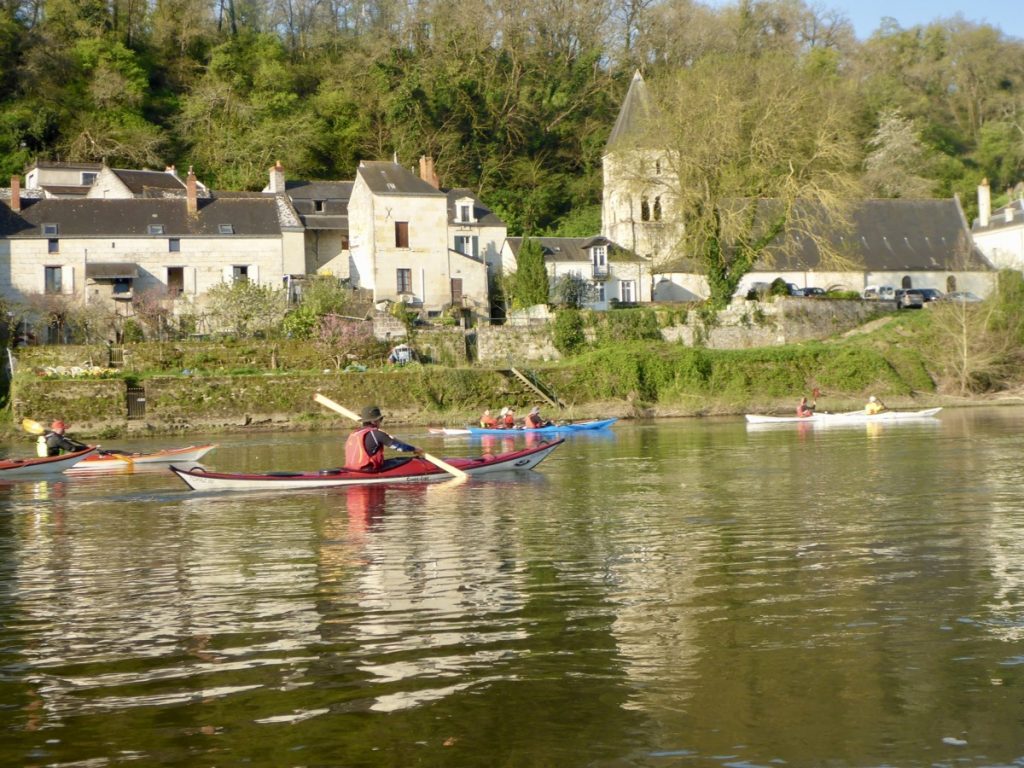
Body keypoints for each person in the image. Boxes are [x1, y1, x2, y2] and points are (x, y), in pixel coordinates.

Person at [344, 405, 421, 472]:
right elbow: (399, 447)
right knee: (411, 461)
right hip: (367, 470)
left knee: (398, 460)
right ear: (374, 422)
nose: (380, 422)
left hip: (351, 468)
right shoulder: (377, 434)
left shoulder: (355, 433)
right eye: (380, 420)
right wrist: (414, 449)